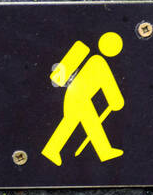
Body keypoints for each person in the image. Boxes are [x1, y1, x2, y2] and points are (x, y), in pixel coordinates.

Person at [41, 31, 125, 165]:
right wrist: (116, 101)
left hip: (76, 97)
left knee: (85, 123)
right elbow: (108, 85)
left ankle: (104, 151)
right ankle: (52, 149)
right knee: (76, 123)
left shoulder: (91, 58)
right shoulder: (99, 62)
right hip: (78, 98)